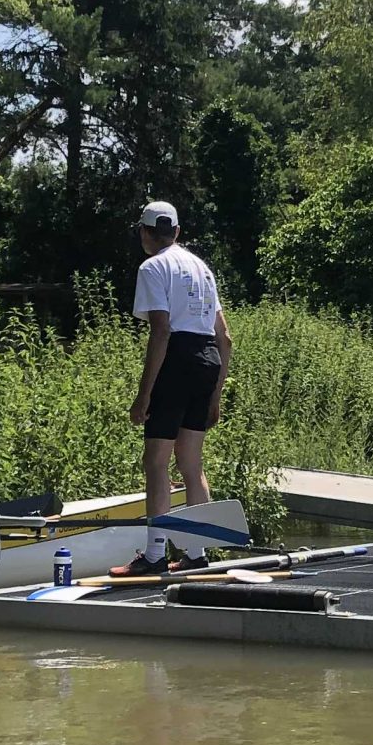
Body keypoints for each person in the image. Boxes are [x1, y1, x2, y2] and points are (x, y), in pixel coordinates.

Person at [118, 201, 232, 577]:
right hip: (208, 360)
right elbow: (225, 338)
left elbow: (162, 330)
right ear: (178, 232)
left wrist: (143, 394)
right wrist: (215, 396)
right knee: (191, 463)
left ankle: (153, 556)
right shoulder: (202, 269)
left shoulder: (152, 267)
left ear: (144, 232)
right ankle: (197, 553)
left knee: (155, 462)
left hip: (177, 360)